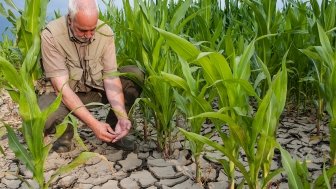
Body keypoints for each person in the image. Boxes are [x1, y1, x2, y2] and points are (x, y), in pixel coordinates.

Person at [38, 0, 143, 153]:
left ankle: (115, 132)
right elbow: (62, 88)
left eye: (92, 29)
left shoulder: (105, 32)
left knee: (135, 75)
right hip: (64, 96)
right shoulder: (51, 35)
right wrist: (94, 125)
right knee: (43, 111)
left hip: (96, 92)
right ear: (69, 19)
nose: (88, 35)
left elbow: (111, 78)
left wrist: (122, 117)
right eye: (82, 30)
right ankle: (64, 136)